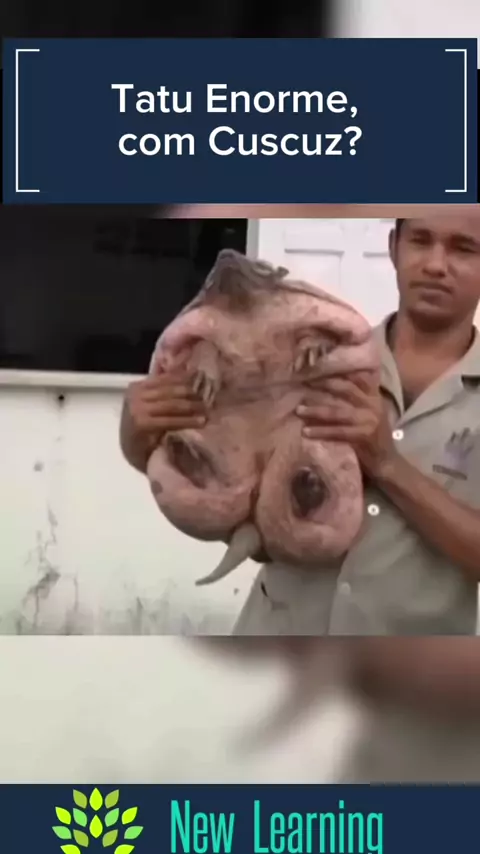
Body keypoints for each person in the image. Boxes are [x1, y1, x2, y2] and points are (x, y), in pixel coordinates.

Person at [120, 213, 480, 635]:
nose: (435, 264)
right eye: (420, 240)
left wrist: (387, 465)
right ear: (393, 247)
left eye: (463, 248)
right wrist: (138, 439)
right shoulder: (314, 350)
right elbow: (228, 463)